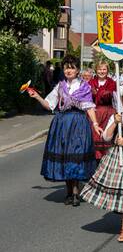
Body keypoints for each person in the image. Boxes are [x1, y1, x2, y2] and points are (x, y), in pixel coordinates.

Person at [28, 55, 101, 207]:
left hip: (79, 124)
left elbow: (89, 107)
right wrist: (37, 97)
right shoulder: (60, 86)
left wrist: (94, 124)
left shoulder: (84, 87)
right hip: (61, 124)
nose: (69, 70)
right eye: (66, 67)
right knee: (65, 157)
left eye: (72, 67)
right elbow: (49, 105)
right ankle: (69, 192)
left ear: (77, 70)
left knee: (76, 156)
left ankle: (75, 192)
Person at [81, 89, 123, 242]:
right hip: (115, 156)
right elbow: (105, 137)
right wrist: (114, 123)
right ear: (121, 102)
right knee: (116, 189)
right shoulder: (115, 117)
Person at [89, 61, 116, 163]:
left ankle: (106, 161)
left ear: (107, 70)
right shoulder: (91, 83)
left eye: (104, 69)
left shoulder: (112, 83)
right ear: (96, 70)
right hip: (94, 113)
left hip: (108, 113)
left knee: (106, 137)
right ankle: (95, 162)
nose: (102, 71)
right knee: (95, 137)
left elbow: (115, 99)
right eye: (100, 69)